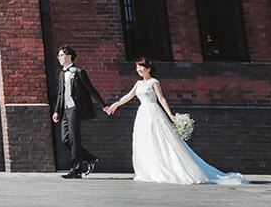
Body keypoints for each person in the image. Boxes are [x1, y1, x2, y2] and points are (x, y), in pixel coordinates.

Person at [104, 57, 247, 185]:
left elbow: (161, 99)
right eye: (137, 67)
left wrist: (170, 114)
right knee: (146, 140)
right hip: (142, 114)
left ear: (148, 68)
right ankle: (150, 170)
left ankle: (170, 168)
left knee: (162, 140)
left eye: (141, 67)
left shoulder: (154, 82)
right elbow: (128, 96)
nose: (139, 70)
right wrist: (115, 105)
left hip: (153, 112)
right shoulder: (138, 84)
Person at [51, 44, 108, 179]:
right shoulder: (61, 74)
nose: (59, 58)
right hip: (65, 110)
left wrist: (103, 105)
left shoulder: (78, 72)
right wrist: (56, 111)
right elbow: (60, 94)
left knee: (74, 139)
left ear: (69, 56)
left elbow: (91, 89)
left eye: (62, 55)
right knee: (65, 139)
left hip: (76, 109)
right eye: (58, 56)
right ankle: (90, 158)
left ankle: (76, 170)